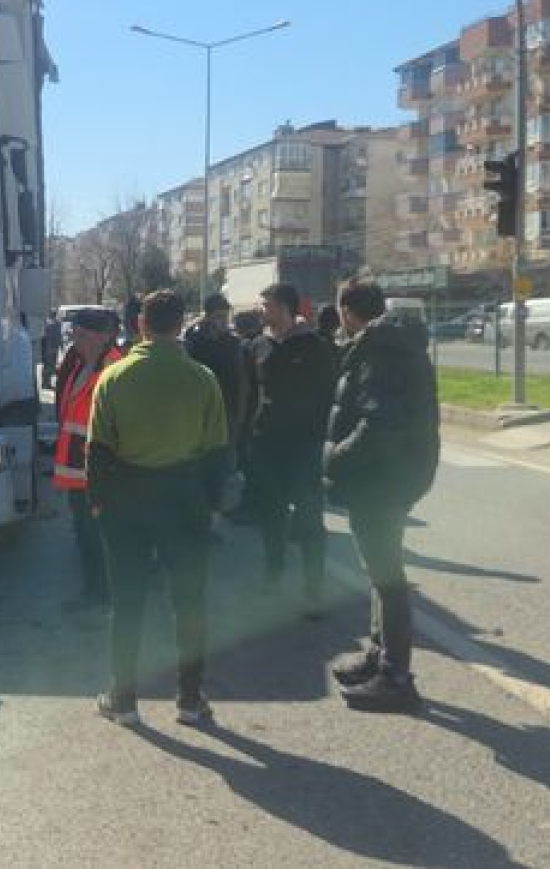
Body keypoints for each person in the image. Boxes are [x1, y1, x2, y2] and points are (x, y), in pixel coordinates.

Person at [86, 289, 228, 728]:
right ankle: (190, 698)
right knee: (188, 602)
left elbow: (97, 452)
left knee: (127, 602)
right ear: (180, 323)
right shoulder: (201, 378)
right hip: (184, 498)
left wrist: (98, 503)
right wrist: (213, 505)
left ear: (140, 326)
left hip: (127, 499)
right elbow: (217, 453)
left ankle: (123, 698)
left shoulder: (113, 377)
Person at [325, 278, 439, 714]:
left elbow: (377, 424)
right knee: (380, 573)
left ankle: (396, 677)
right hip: (394, 474)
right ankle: (380, 658)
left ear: (348, 312)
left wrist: (335, 458)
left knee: (387, 577)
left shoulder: (380, 352)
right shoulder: (390, 344)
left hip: (381, 478)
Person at [242, 282, 337, 608]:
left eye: (266, 305)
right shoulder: (257, 346)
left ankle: (315, 589)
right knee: (272, 515)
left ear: (284, 308)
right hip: (267, 445)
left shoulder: (316, 346)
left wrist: (322, 439)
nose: (262, 311)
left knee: (310, 518)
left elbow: (329, 397)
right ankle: (274, 573)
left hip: (304, 447)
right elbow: (251, 395)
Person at [50, 307, 122, 608]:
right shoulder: (81, 364)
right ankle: (94, 591)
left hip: (98, 473)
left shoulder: (114, 371)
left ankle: (103, 595)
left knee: (97, 538)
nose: (74, 341)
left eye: (81, 335)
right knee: (85, 537)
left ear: (102, 337)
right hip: (77, 471)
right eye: (73, 335)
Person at [183, 294, 250, 455]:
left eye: (226, 316)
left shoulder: (233, 343)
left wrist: (240, 414)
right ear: (207, 317)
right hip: (199, 413)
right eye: (219, 317)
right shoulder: (193, 342)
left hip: (227, 412)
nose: (224, 321)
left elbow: (241, 380)